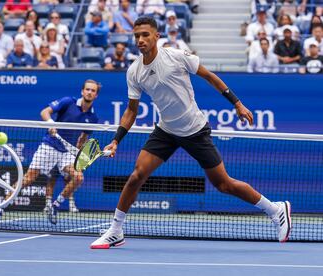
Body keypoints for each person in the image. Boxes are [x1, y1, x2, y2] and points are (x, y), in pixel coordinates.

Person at [90, 17, 292, 249]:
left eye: (145, 34)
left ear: (157, 36)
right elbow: (131, 110)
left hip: (195, 130)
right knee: (136, 175)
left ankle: (276, 209)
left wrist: (236, 103)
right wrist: (116, 140)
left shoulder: (176, 56)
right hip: (166, 130)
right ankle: (116, 230)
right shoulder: (134, 71)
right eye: (136, 36)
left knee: (224, 184)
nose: (140, 40)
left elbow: (209, 76)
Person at [0, 79, 101, 224]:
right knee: (28, 179)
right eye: (87, 89)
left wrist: (78, 151)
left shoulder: (93, 117)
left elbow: (83, 137)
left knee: (79, 177)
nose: (89, 92)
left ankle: (55, 206)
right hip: (50, 145)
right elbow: (45, 112)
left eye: (93, 91)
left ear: (96, 95)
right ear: (82, 91)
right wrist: (51, 123)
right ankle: (0, 208)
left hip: (67, 152)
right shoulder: (68, 102)